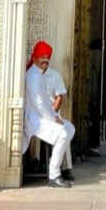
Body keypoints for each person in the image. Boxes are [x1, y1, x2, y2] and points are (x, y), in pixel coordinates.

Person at [23, 40, 75, 188]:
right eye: (42, 57)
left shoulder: (38, 74)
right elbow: (39, 104)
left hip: (44, 116)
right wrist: (53, 118)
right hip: (34, 119)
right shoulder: (33, 76)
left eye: (47, 57)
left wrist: (54, 115)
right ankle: (54, 174)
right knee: (63, 133)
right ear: (34, 58)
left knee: (70, 128)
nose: (45, 59)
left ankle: (54, 161)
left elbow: (47, 101)